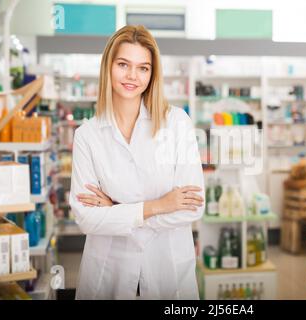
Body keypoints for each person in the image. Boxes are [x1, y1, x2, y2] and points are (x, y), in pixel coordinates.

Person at [69, 25, 205, 300]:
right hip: (109, 272)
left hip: (168, 269)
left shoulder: (177, 123)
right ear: (108, 66)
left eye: (143, 68)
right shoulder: (87, 136)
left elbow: (191, 208)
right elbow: (86, 218)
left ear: (152, 74)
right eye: (123, 64)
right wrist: (158, 206)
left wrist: (118, 210)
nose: (133, 76)